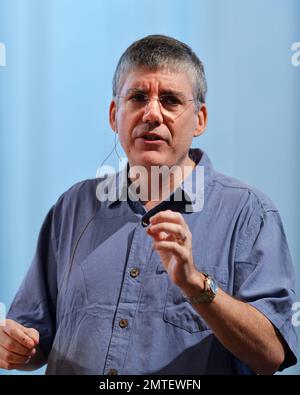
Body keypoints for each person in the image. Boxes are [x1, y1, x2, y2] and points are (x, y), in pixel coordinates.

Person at [0, 35, 297, 375]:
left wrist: (196, 285)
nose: (152, 113)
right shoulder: (73, 207)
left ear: (199, 120)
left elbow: (270, 354)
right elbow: (33, 336)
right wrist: (17, 348)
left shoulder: (248, 213)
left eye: (170, 100)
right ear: (115, 115)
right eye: (138, 97)